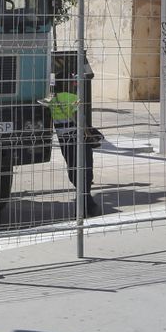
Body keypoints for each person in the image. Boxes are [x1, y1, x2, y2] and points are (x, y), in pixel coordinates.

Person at [48, 57, 102, 216]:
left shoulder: (51, 100)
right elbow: (81, 120)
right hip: (77, 136)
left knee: (72, 165)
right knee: (85, 165)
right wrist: (88, 134)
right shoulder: (73, 99)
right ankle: (85, 197)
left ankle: (83, 194)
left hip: (63, 138)